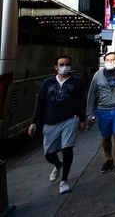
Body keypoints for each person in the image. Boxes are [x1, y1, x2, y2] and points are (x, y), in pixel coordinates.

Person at [28, 55, 86, 194]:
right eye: (61, 64)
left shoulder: (76, 82)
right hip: (50, 121)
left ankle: (64, 181)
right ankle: (58, 164)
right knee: (49, 154)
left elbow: (80, 102)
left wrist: (82, 119)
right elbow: (40, 102)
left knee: (67, 148)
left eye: (67, 64)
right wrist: (34, 122)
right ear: (56, 67)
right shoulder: (47, 83)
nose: (64, 66)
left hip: (70, 119)